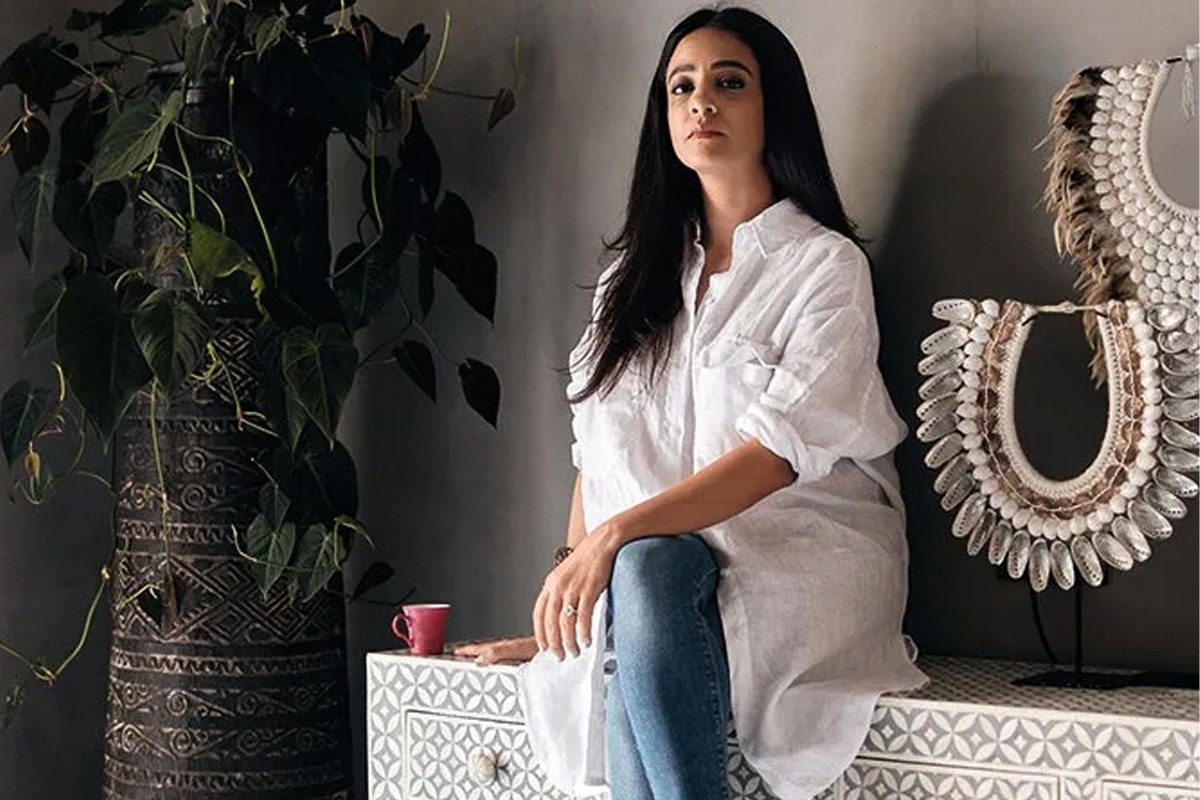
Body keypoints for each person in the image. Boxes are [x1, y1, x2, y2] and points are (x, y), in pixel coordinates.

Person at [455, 7, 928, 799]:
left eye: (728, 83)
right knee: (645, 575)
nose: (701, 102)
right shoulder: (631, 280)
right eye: (681, 87)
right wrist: (570, 605)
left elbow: (775, 457)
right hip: (654, 585)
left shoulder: (824, 268)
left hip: (795, 562)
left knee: (643, 567)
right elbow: (598, 457)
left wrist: (615, 541)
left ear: (773, 106)